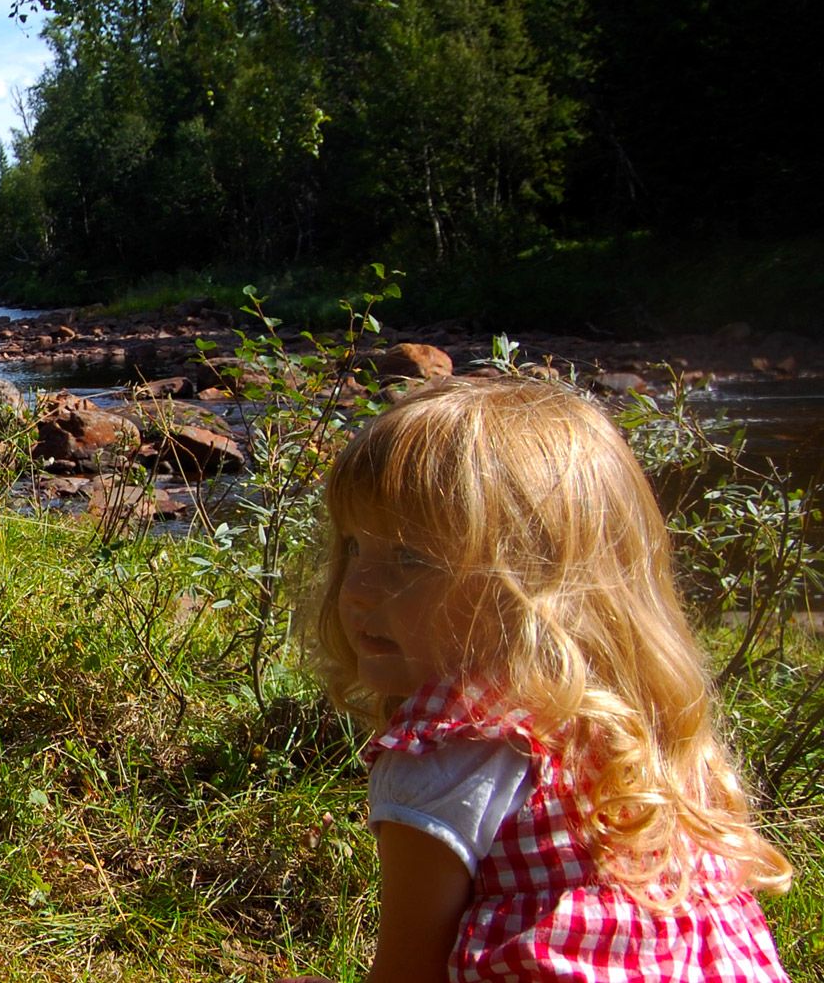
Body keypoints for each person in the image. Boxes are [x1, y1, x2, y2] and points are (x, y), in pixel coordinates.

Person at [292, 375, 790, 982]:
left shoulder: (446, 754)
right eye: (353, 547)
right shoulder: (632, 729)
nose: (358, 590)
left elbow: (408, 970)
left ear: (526, 587)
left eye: (412, 559)